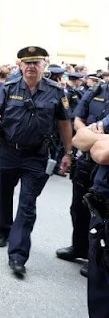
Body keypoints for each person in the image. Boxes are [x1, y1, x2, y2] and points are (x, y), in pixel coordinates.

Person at [0, 46, 73, 278]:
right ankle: (4, 229)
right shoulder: (8, 88)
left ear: (44, 65)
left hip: (36, 156)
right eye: (27, 62)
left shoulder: (56, 92)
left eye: (37, 62)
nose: (32, 66)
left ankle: (17, 256)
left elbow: (65, 124)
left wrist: (68, 152)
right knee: (2, 193)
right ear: (20, 65)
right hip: (8, 152)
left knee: (27, 205)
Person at [57, 71, 109, 277]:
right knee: (78, 206)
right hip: (86, 158)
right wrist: (93, 132)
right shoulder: (95, 90)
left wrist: (91, 135)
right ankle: (78, 247)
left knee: (100, 213)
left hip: (102, 160)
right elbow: (77, 120)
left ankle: (95, 255)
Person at [71, 118, 109, 317]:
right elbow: (80, 138)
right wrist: (103, 138)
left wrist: (98, 139)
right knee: (98, 292)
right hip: (101, 211)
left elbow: (102, 154)